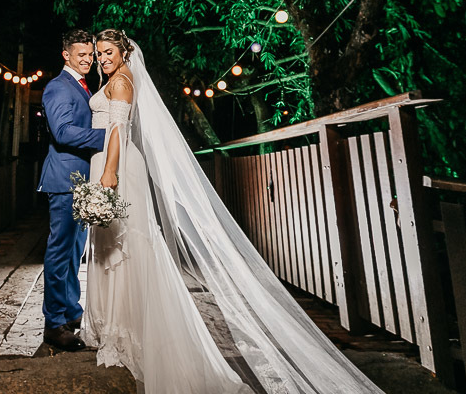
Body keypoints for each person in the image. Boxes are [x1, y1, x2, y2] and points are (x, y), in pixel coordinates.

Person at [82, 29, 384, 394]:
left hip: (115, 165)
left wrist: (109, 173)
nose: (103, 58)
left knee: (125, 244)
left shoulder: (121, 82)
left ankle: (127, 330)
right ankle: (118, 327)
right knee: (117, 245)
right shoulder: (117, 78)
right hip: (112, 162)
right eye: (100, 53)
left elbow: (117, 130)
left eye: (108, 51)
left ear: (124, 52)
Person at [38, 28, 106, 352]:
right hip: (65, 181)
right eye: (81, 54)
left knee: (74, 252)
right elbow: (63, 132)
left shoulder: (81, 85)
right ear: (66, 55)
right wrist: (108, 136)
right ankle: (53, 324)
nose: (88, 60)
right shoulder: (57, 87)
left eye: (90, 55)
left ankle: (71, 311)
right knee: (60, 251)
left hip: (81, 180)